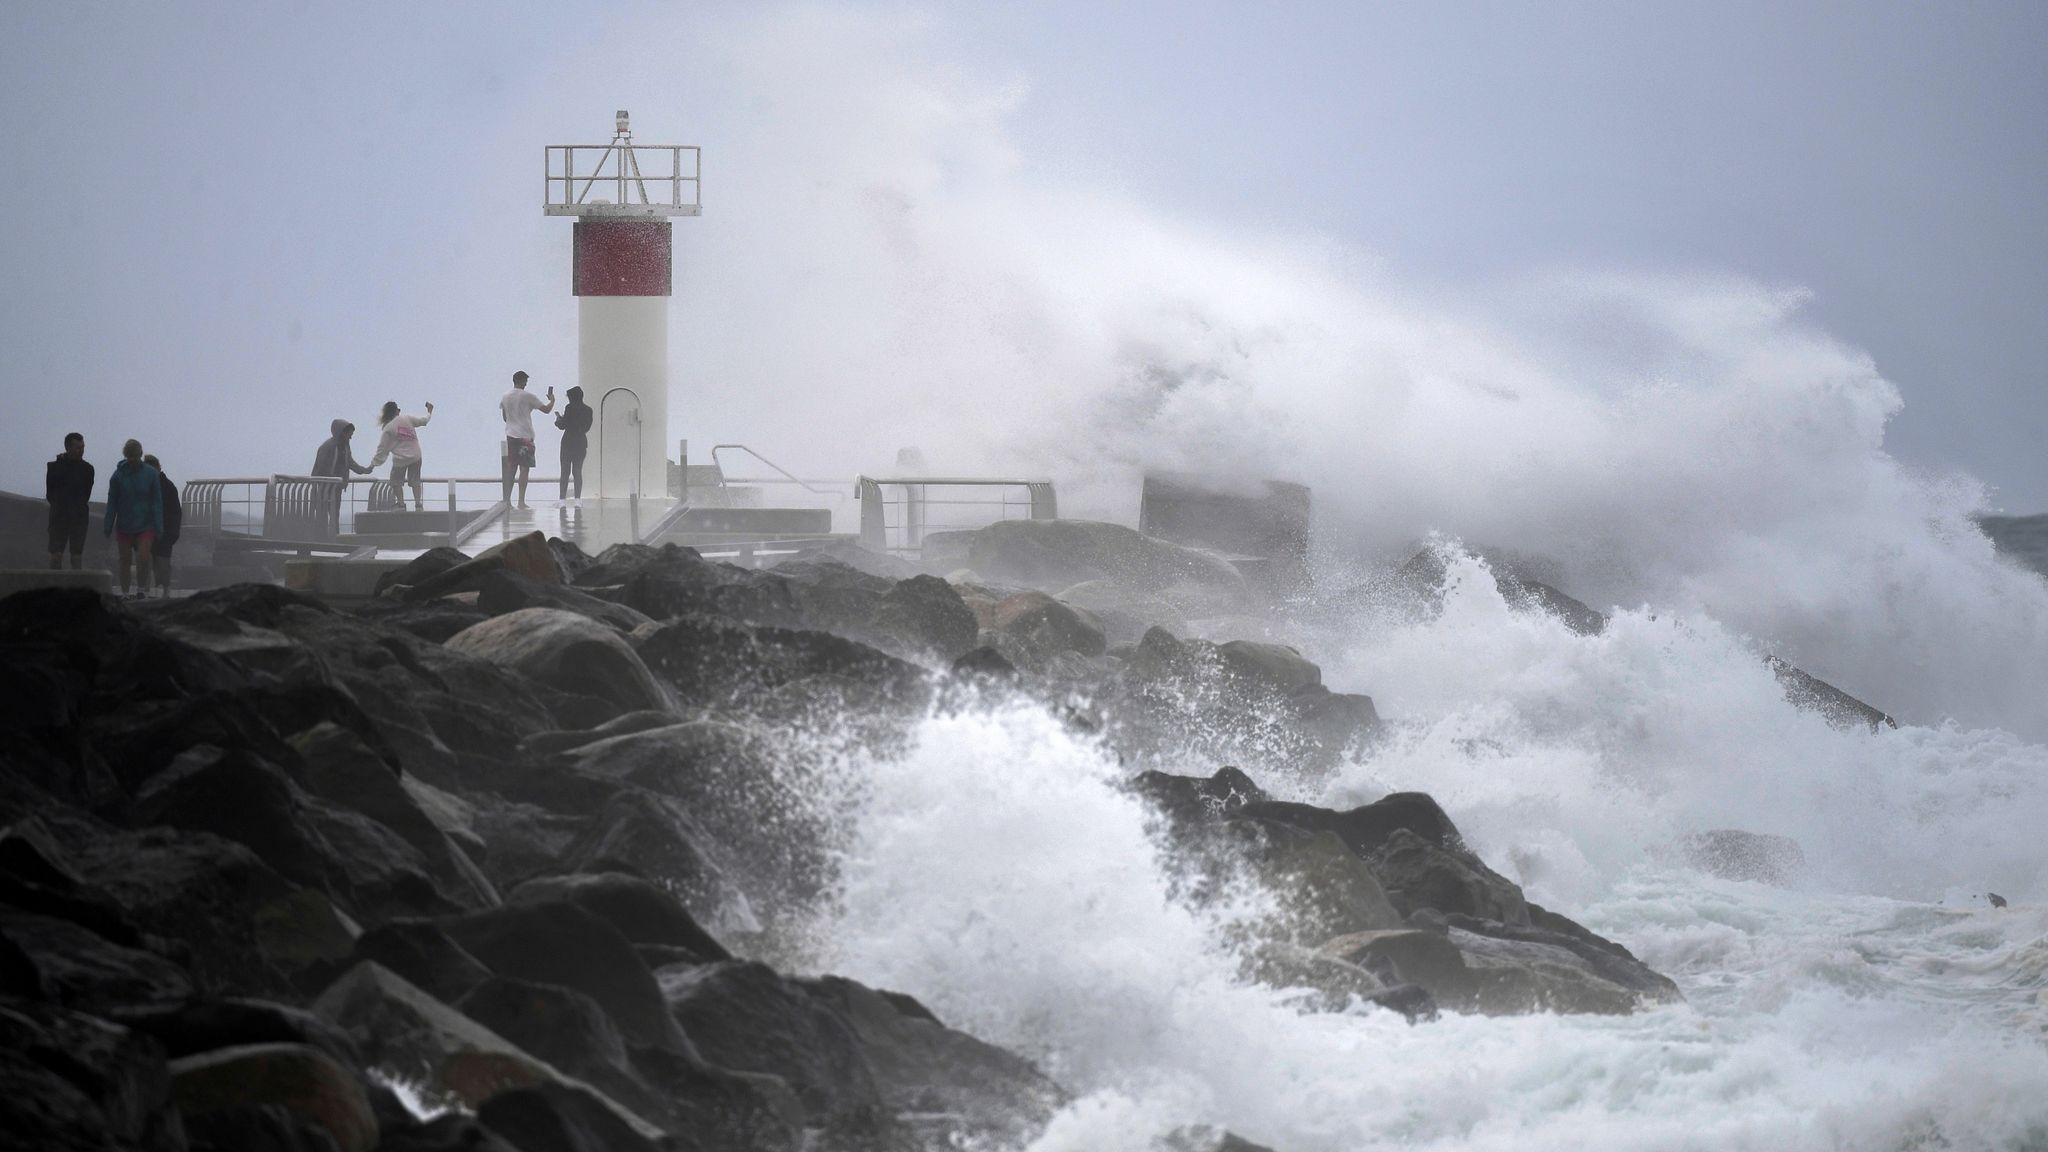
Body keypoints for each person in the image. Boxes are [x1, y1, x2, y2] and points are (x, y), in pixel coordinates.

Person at [102, 439, 162, 599]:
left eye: (135, 456)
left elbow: (157, 501)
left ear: (140, 455)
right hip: (124, 525)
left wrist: (159, 525)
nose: (133, 459)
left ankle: (141, 589)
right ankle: (125, 592)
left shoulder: (151, 474)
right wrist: (108, 524)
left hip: (146, 524)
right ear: (126, 456)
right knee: (125, 560)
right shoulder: (118, 476)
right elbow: (112, 501)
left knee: (143, 557)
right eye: (130, 456)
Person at [499, 370, 554, 509]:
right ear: (523, 381)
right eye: (526, 381)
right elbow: (546, 410)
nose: (526, 383)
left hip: (511, 435)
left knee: (511, 468)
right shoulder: (528, 396)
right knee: (524, 468)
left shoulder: (505, 397)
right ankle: (521, 502)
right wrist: (552, 399)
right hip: (525, 436)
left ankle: (507, 501)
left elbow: (505, 417)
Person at [370, 400, 434, 512]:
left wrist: (373, 464)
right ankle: (418, 505)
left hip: (400, 459)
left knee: (395, 481)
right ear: (396, 411)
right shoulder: (407, 418)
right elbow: (424, 421)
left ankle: (401, 505)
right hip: (416, 456)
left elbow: (382, 448)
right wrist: (429, 411)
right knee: (415, 481)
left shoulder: (388, 428)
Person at [45, 432, 94, 570]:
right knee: (56, 555)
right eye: (78, 447)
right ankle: (54, 588)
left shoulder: (88, 470)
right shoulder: (54, 467)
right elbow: (50, 493)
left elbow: (86, 493)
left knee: (76, 556)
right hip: (58, 516)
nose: (81, 450)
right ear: (68, 447)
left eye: (82, 447)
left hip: (78, 517)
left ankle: (76, 588)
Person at [142, 454, 181, 598]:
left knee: (163, 564)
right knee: (145, 562)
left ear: (158, 469)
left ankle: (166, 590)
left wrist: (172, 534)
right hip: (146, 531)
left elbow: (176, 512)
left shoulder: (168, 487)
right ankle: (145, 590)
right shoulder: (142, 485)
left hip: (164, 532)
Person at [554, 386, 593, 501]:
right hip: (581, 442)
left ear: (571, 397)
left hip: (568, 442)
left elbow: (563, 425)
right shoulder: (589, 410)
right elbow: (587, 427)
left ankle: (562, 500)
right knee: (577, 472)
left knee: (565, 473)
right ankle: (577, 500)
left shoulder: (569, 407)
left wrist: (558, 421)